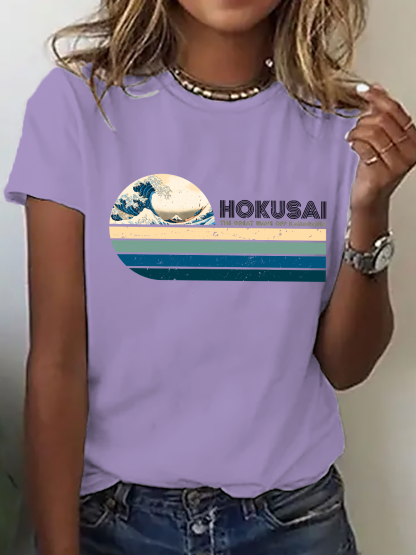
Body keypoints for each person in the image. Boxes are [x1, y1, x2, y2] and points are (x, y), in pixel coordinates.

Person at [4, 0, 416, 554]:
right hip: (115, 522)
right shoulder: (79, 104)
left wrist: (371, 207)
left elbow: (347, 367)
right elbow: (56, 363)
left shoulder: (347, 127)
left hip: (293, 522)